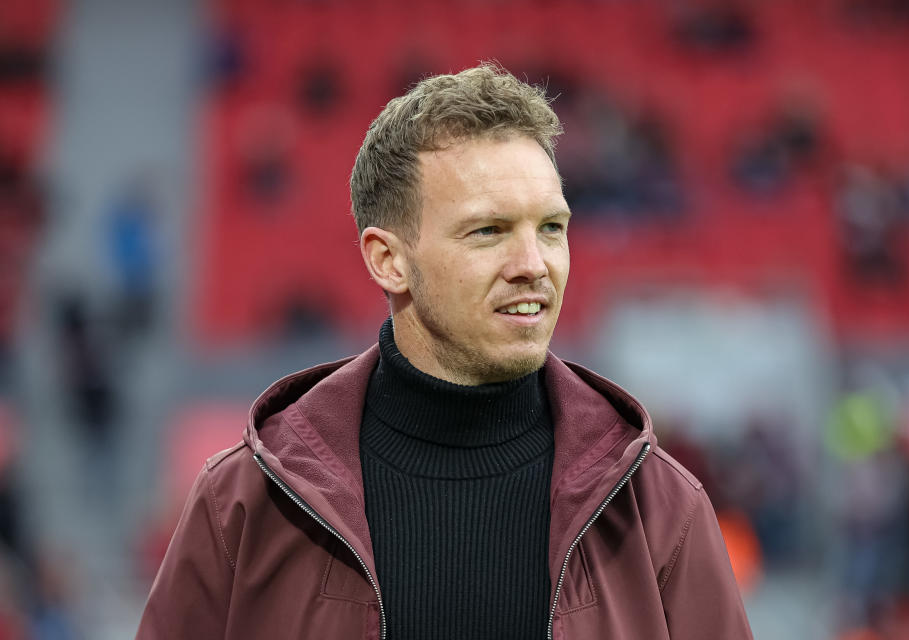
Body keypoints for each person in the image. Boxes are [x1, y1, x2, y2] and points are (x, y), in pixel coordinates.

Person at [136, 64, 752, 640]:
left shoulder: (661, 508)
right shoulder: (243, 502)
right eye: (489, 231)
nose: (533, 266)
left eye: (551, 228)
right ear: (388, 260)